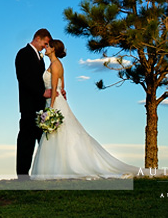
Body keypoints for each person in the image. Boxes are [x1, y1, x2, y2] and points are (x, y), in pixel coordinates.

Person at [31, 39, 140, 179]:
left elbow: (54, 89)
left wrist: (51, 109)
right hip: (56, 100)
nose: (45, 48)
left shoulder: (55, 65)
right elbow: (62, 87)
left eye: (48, 46)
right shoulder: (55, 64)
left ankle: (68, 166)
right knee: (58, 133)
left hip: (54, 102)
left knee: (61, 132)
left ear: (53, 49)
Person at [15, 28, 51, 179]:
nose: (45, 46)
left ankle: (43, 173)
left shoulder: (40, 58)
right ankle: (23, 175)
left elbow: (41, 80)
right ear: (37, 38)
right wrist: (41, 93)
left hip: (40, 107)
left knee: (44, 141)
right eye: (45, 42)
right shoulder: (23, 53)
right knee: (26, 142)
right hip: (28, 106)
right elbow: (24, 79)